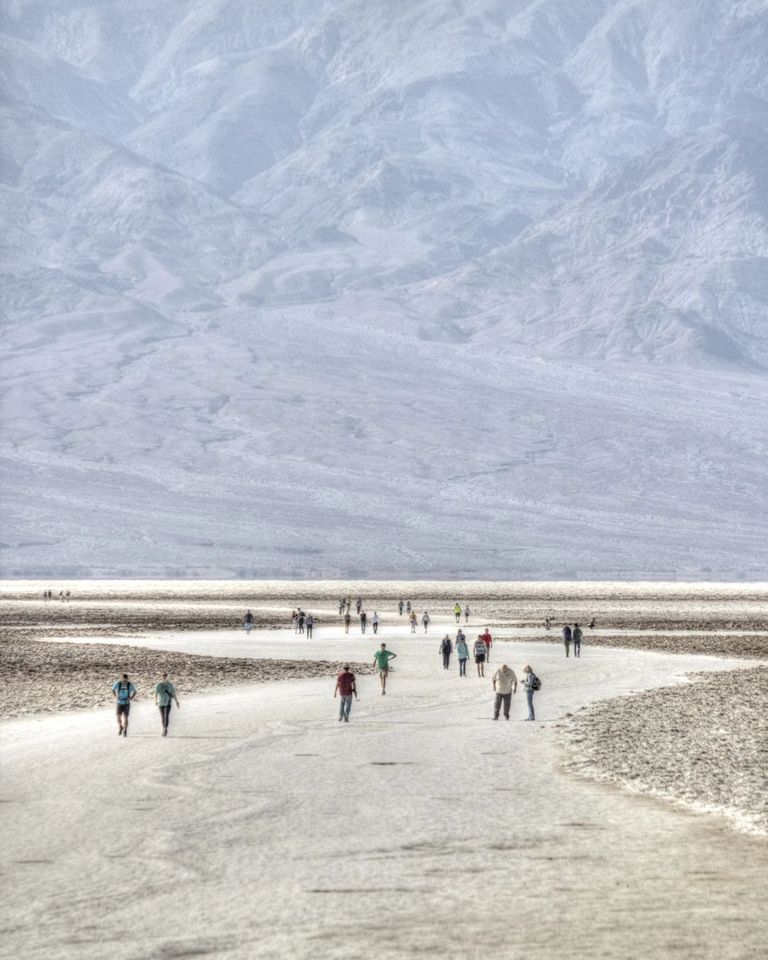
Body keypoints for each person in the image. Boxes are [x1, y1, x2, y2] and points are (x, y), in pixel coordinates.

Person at [154, 673, 180, 737]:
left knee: (166, 715)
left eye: (165, 676)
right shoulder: (158, 684)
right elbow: (155, 693)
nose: (164, 677)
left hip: (168, 702)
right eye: (163, 676)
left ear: (167, 677)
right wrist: (155, 700)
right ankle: (163, 729)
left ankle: (165, 729)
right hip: (160, 702)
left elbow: (173, 693)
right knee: (162, 716)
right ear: (161, 677)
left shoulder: (170, 685)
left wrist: (177, 702)